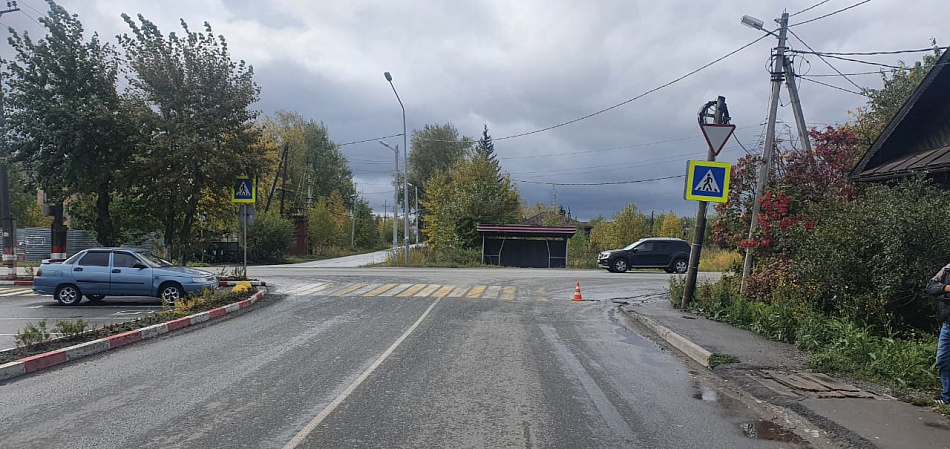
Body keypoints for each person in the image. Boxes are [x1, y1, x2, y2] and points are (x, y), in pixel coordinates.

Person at [926, 263, 950, 404]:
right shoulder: (947, 269)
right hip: (947, 324)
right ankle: (946, 397)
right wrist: (946, 288)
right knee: (942, 360)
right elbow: (930, 287)